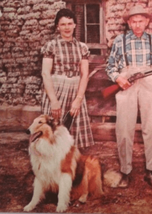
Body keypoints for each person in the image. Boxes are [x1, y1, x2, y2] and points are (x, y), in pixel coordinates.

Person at [106, 5, 152, 189]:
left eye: (141, 21)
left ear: (147, 21)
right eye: (134, 21)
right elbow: (110, 67)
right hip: (127, 83)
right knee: (124, 128)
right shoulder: (119, 41)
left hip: (149, 81)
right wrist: (118, 78)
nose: (137, 24)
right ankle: (125, 172)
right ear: (128, 23)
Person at [41, 8, 94, 148]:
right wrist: (53, 101)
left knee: (72, 135)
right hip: (56, 89)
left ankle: (69, 166)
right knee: (51, 132)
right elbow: (46, 73)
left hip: (75, 91)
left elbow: (84, 74)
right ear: (58, 26)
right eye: (63, 24)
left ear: (75, 25)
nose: (67, 28)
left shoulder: (82, 47)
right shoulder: (51, 46)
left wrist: (78, 99)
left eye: (70, 24)